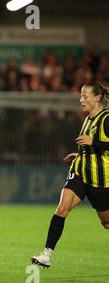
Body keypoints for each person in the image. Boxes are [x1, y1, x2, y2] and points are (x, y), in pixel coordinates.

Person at [31, 81, 109, 268]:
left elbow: (99, 144)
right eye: (81, 96)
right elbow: (90, 146)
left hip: (100, 180)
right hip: (80, 171)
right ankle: (47, 255)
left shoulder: (106, 119)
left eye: (85, 96)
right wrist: (80, 154)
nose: (81, 100)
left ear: (97, 98)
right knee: (62, 209)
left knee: (106, 222)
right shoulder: (89, 118)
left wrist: (94, 142)